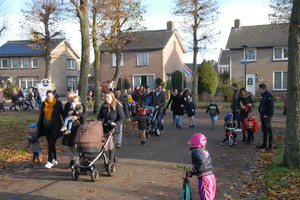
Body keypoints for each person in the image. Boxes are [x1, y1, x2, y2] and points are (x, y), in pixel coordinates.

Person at [37, 90, 64, 169]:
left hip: (55, 127)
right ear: (46, 96)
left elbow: (62, 113)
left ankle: (49, 161)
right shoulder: (44, 103)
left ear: (53, 96)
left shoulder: (58, 103)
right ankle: (54, 159)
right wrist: (38, 125)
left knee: (51, 144)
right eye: (48, 96)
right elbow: (41, 115)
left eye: (51, 96)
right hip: (46, 127)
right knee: (50, 144)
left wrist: (66, 123)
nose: (49, 98)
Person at [97, 91, 125, 162]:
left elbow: (121, 118)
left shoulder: (117, 106)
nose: (106, 99)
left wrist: (116, 124)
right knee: (105, 144)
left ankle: (111, 161)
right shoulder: (103, 106)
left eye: (108, 97)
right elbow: (100, 116)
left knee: (111, 144)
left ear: (112, 97)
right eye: (105, 97)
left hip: (114, 128)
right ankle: (114, 158)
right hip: (105, 127)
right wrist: (99, 121)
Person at [188, 133, 216, 200]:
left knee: (205, 198)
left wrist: (193, 170)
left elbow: (201, 162)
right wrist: (193, 172)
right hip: (211, 177)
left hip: (204, 179)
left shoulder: (196, 151)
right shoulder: (205, 151)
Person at [62, 92, 85, 168]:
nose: (70, 99)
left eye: (71, 97)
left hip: (77, 127)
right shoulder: (67, 105)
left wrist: (76, 116)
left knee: (77, 145)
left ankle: (80, 161)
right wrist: (68, 114)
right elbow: (64, 114)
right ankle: (72, 162)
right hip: (69, 127)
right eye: (68, 98)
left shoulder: (80, 104)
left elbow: (83, 113)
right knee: (70, 146)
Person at [257, 83, 274, 151]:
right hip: (263, 115)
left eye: (259, 88)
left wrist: (267, 114)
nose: (258, 90)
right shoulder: (264, 95)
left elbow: (271, 107)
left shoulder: (268, 95)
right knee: (264, 131)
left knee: (269, 131)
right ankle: (264, 144)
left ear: (262, 88)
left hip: (266, 116)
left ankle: (270, 145)